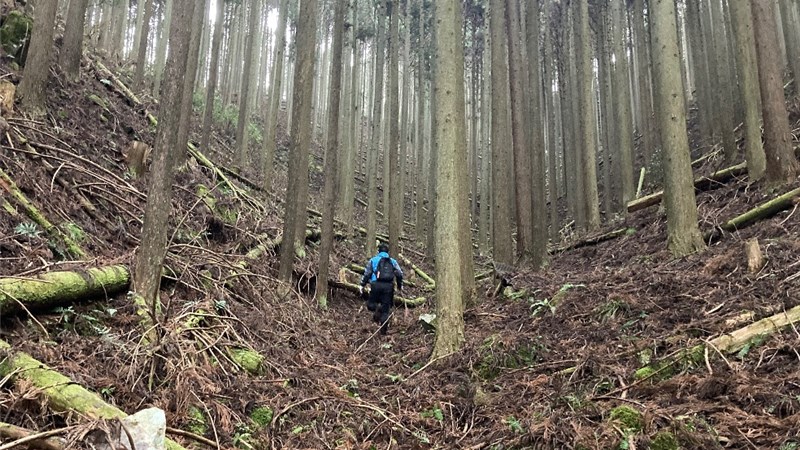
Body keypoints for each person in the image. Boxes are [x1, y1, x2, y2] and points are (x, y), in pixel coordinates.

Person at [359, 243, 404, 335]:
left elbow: (367, 273)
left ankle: (377, 308)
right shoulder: (392, 261)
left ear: (378, 251)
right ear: (387, 252)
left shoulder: (373, 260)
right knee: (385, 310)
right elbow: (399, 274)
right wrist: (400, 286)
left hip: (375, 285)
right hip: (388, 287)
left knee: (370, 305)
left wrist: (362, 284)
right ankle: (383, 333)